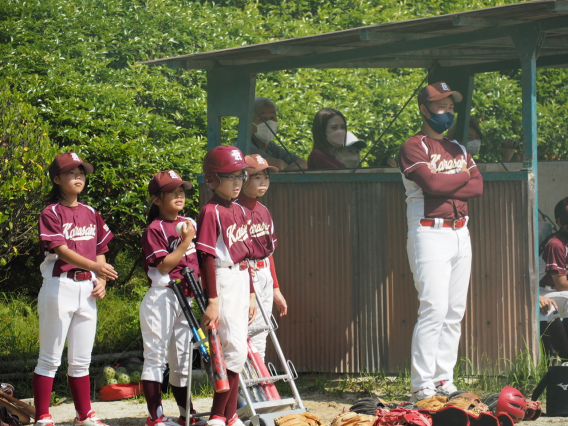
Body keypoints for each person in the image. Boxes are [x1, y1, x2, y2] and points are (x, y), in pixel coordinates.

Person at [398, 81, 483, 402]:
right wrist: (462, 176)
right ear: (424, 109)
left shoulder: (458, 147)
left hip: (461, 231)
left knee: (454, 311)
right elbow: (431, 184)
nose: (446, 111)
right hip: (428, 231)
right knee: (433, 308)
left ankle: (444, 378)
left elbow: (478, 188)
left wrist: (452, 181)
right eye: (440, 106)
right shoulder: (413, 146)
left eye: (450, 106)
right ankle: (422, 384)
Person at [35, 152, 118, 426]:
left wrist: (102, 279)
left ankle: (84, 415)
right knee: (49, 358)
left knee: (81, 360)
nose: (78, 177)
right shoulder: (51, 212)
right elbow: (61, 251)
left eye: (81, 172)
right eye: (71, 173)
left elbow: (101, 249)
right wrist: (97, 268)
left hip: (87, 288)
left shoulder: (91, 212)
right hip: (59, 286)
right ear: (57, 179)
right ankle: (43, 416)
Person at [196, 146, 257, 426]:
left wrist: (253, 293)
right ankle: (218, 416)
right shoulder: (210, 211)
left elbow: (248, 254)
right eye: (229, 176)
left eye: (240, 176)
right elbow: (206, 257)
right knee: (232, 349)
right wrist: (213, 299)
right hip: (222, 278)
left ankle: (229, 415)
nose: (236, 182)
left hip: (241, 278)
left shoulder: (241, 210)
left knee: (238, 351)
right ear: (212, 179)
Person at [140, 170, 205, 426]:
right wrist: (185, 241)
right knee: (156, 357)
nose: (179, 195)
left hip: (186, 298)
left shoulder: (188, 221)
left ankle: (186, 414)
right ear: (157, 199)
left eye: (181, 190)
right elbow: (165, 267)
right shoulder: (154, 229)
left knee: (182, 360)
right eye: (172, 191)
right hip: (162, 296)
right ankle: (155, 416)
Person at [235, 154, 288, 359]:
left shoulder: (264, 211)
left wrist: (276, 288)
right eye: (257, 176)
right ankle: (244, 387)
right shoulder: (234, 211)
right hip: (246, 273)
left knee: (262, 332)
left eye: (266, 175)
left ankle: (260, 385)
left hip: (263, 272)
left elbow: (269, 252)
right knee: (246, 331)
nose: (264, 180)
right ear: (243, 178)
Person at [538, 197, 568, 361]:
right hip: (542, 291)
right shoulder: (556, 244)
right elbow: (562, 284)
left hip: (558, 291)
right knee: (551, 309)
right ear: (562, 223)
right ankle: (562, 357)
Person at [249, 97, 308, 171]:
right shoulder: (245, 146)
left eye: (272, 117)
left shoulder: (271, 146)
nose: (269, 123)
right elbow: (277, 165)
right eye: (262, 118)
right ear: (250, 123)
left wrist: (286, 170)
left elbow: (302, 163)